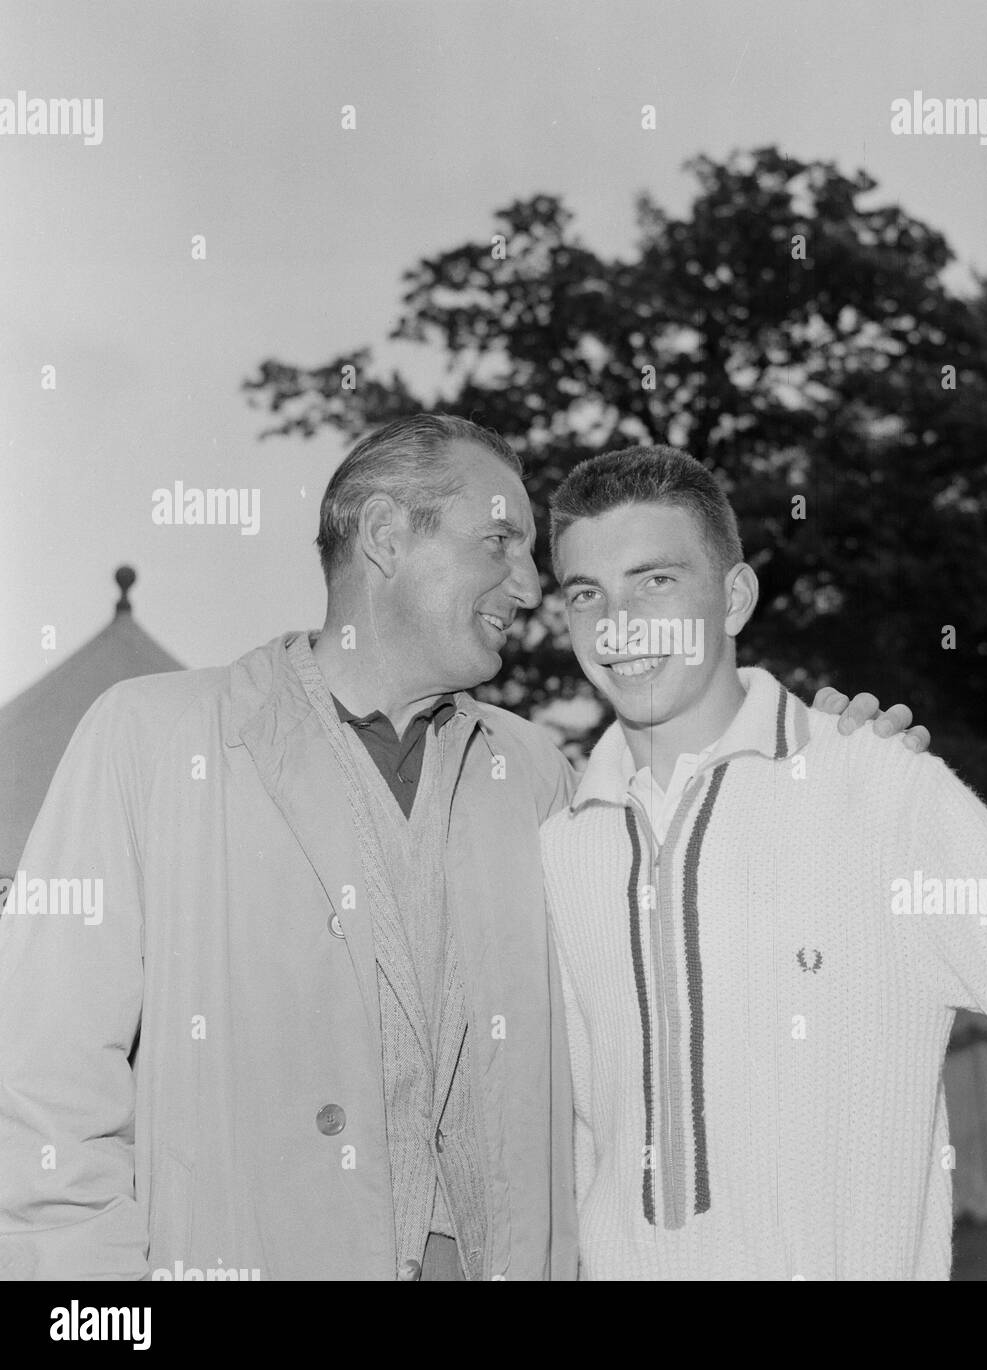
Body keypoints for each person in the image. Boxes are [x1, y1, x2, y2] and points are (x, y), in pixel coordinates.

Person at [0, 414, 922, 1281]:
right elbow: (48, 1093)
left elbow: (683, 1003)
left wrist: (827, 819)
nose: (532, 585)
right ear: (386, 535)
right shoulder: (151, 741)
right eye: (500, 542)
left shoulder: (540, 776)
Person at [540, 444, 987, 1281]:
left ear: (733, 598)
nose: (619, 625)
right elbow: (593, 1135)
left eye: (655, 581)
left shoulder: (877, 788)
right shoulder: (565, 843)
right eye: (587, 594)